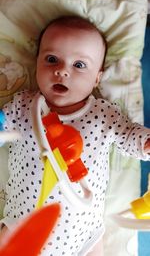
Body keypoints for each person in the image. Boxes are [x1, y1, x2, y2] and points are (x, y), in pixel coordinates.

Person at [0, 15, 150, 256]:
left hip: (83, 236)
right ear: (36, 62)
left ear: (97, 78)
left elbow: (128, 136)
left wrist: (145, 144)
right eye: (51, 59)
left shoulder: (103, 114)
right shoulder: (23, 106)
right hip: (23, 226)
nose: (62, 71)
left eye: (79, 65)